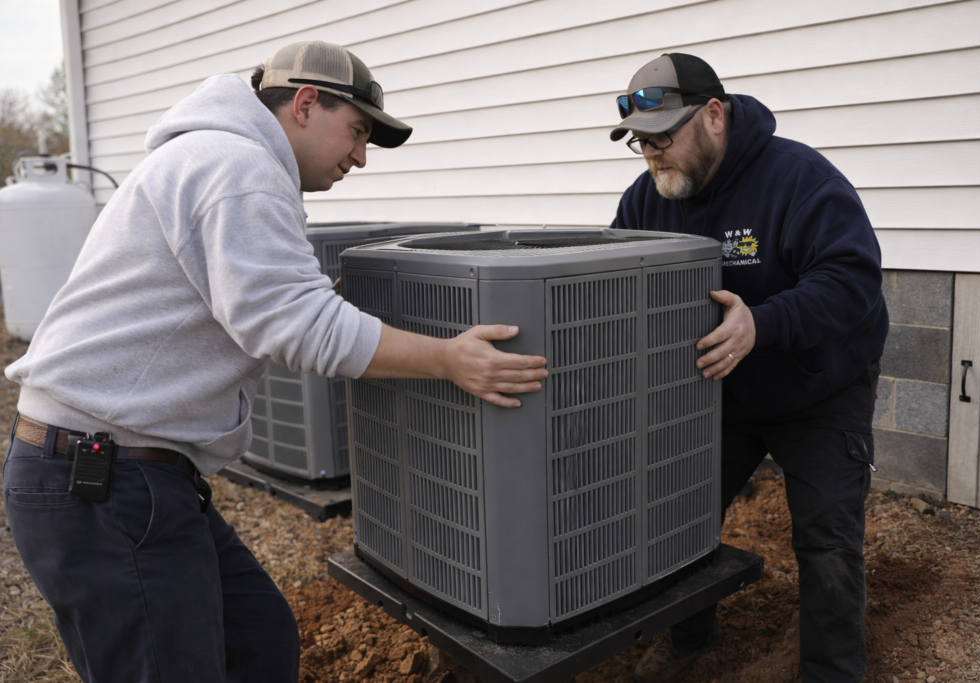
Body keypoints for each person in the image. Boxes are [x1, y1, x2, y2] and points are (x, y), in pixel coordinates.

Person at [2, 41, 547, 683]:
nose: (361, 157)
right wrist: (450, 360)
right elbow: (293, 325)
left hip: (124, 470)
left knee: (258, 640)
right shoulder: (238, 166)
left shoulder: (215, 157)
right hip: (102, 478)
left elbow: (259, 309)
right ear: (307, 104)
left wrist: (322, 309)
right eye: (357, 131)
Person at [609, 53, 888, 683]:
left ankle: (833, 672)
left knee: (827, 542)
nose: (653, 154)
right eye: (641, 143)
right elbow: (613, 279)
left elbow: (852, 281)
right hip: (720, 390)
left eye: (664, 138)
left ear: (713, 115)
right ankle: (688, 642)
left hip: (820, 388)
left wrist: (762, 323)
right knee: (678, 517)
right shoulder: (646, 201)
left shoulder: (798, 178)